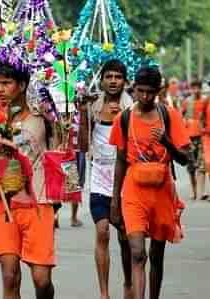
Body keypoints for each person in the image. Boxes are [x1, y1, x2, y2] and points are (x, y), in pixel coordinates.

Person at [110, 66, 190, 299]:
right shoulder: (123, 118)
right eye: (140, 91)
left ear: (159, 91)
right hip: (134, 192)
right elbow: (120, 161)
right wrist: (115, 201)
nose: (144, 97)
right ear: (133, 89)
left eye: (150, 92)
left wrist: (167, 142)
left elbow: (185, 159)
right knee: (137, 254)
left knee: (156, 255)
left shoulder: (169, 116)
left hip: (162, 192)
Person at [0, 62, 56, 299]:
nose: (0, 88)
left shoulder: (41, 118)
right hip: (4, 204)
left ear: (22, 85)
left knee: (41, 280)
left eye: (6, 83)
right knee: (9, 276)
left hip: (38, 202)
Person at [78, 59, 134, 299]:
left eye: (118, 77)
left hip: (125, 181)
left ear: (125, 81)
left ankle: (130, 282)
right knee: (102, 232)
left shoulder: (132, 109)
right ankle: (104, 293)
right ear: (101, 80)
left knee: (124, 237)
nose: (113, 81)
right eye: (108, 76)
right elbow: (82, 144)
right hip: (99, 181)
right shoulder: (92, 107)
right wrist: (81, 114)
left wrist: (122, 118)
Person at [181, 80, 205, 200]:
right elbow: (181, 116)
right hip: (189, 137)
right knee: (191, 167)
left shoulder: (205, 101)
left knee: (201, 166)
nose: (196, 90)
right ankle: (193, 190)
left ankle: (201, 192)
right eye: (194, 88)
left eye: (198, 88)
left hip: (201, 136)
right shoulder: (187, 102)